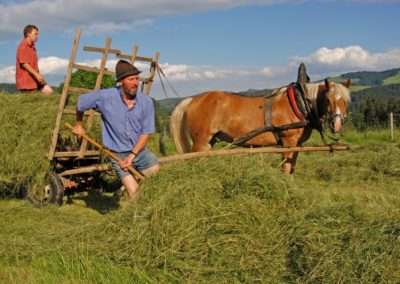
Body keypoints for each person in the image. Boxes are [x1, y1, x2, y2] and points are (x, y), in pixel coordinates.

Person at [73, 60, 160, 203]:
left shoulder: (146, 102)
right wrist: (78, 124)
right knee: (135, 193)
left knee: (158, 182)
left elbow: (146, 134)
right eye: (131, 79)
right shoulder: (106, 97)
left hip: (140, 152)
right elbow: (80, 102)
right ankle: (135, 220)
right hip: (117, 154)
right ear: (120, 82)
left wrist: (132, 156)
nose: (135, 82)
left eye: (137, 78)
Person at [15, 24, 53, 94]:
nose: (37, 36)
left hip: (35, 79)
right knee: (32, 101)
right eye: (35, 34)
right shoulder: (23, 46)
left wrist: (38, 76)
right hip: (26, 82)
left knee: (49, 91)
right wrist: (37, 75)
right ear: (28, 34)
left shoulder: (32, 47)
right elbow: (24, 64)